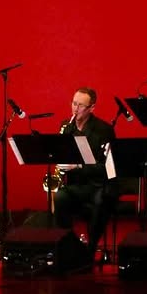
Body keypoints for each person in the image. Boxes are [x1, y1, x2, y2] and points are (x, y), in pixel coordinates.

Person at [52, 87, 117, 263]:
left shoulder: (104, 130)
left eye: (81, 105)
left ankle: (90, 250)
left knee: (100, 202)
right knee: (60, 197)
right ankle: (67, 246)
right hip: (77, 184)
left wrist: (79, 166)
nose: (76, 108)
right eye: (74, 103)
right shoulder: (66, 127)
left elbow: (108, 168)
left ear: (91, 108)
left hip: (98, 184)